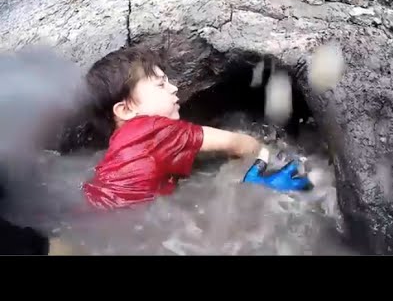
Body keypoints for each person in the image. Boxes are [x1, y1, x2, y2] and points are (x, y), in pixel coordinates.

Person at [82, 46, 310, 211]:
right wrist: (266, 155)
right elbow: (238, 143)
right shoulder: (156, 129)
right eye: (161, 84)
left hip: (96, 216)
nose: (174, 87)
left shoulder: (118, 147)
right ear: (125, 110)